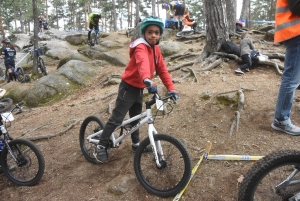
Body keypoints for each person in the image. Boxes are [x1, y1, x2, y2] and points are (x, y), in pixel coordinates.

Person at [93, 16, 179, 163]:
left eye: (157, 32)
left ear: (160, 35)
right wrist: (147, 78)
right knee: (117, 118)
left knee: (136, 117)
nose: (153, 35)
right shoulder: (140, 46)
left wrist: (171, 88)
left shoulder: (156, 49)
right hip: (128, 87)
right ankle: (101, 145)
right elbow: (142, 62)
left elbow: (163, 70)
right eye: (150, 32)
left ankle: (136, 144)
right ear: (144, 33)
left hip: (140, 88)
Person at [271, 0, 300, 135]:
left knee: (294, 77)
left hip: (294, 33)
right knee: (291, 78)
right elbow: (296, 7)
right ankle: (281, 119)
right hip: (295, 33)